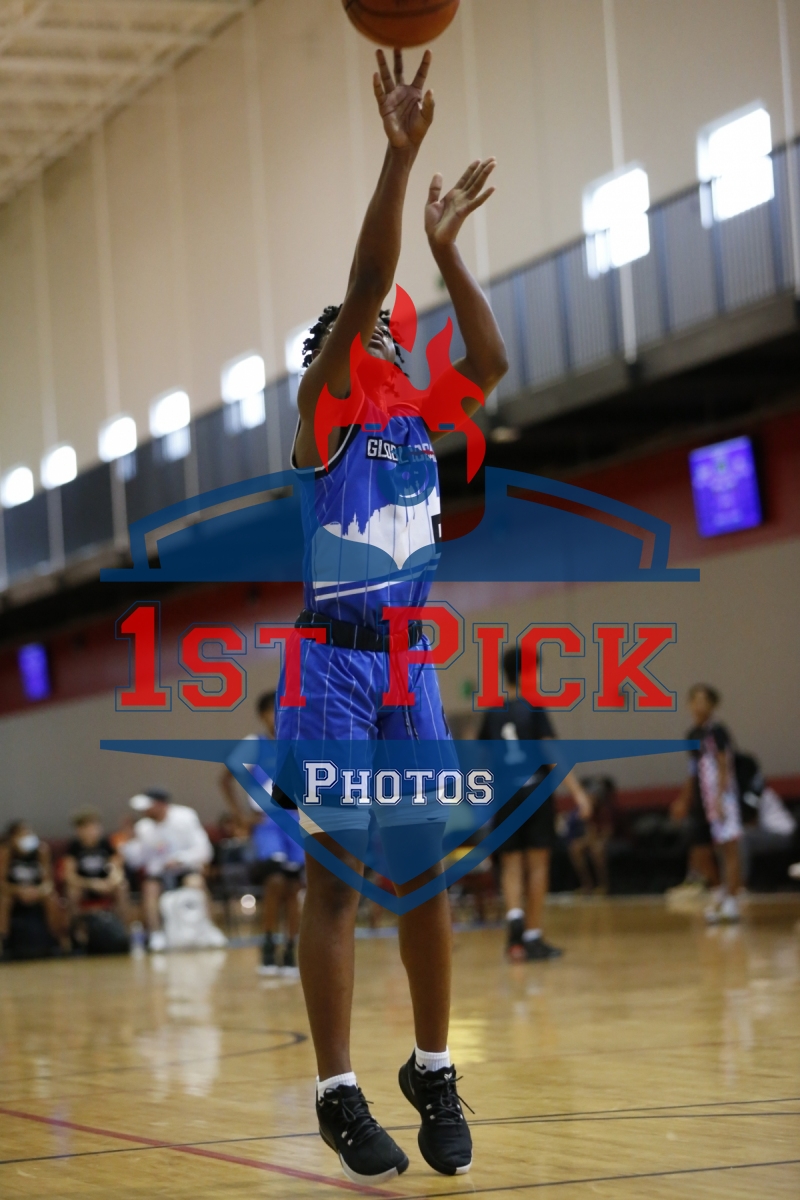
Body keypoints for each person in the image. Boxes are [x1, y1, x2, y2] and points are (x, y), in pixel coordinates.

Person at [276, 48, 508, 1184]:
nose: (378, 332)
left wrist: (449, 250)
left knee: (424, 874)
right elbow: (366, 282)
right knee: (335, 880)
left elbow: (492, 358)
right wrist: (398, 155)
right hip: (332, 664)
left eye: (381, 329)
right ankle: (335, 1090)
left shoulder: (414, 421)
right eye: (361, 328)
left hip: (407, 669)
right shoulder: (323, 412)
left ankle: (432, 1067)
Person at [478, 648, 593, 960]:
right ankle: (532, 935)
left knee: (511, 864)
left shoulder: (492, 712)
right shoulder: (534, 708)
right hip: (535, 792)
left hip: (505, 795)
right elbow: (551, 753)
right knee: (538, 865)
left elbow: (483, 759)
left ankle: (514, 919)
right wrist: (578, 792)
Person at [219, 691, 304, 976]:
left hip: (296, 821)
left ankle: (290, 949)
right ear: (262, 715)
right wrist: (240, 817)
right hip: (268, 824)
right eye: (272, 711)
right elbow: (225, 779)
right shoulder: (254, 744)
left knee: (294, 888)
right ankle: (268, 944)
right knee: (275, 881)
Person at [671, 684, 743, 923]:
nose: (699, 705)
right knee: (700, 850)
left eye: (704, 700)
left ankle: (732, 901)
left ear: (712, 705)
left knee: (728, 849)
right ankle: (718, 893)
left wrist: (721, 797)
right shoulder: (692, 734)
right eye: (695, 700)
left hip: (722, 798)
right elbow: (693, 771)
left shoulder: (718, 731)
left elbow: (724, 765)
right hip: (701, 799)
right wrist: (683, 799)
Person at [119, 787, 213, 951]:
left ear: (161, 805)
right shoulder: (143, 827)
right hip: (159, 874)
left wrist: (180, 859)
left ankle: (208, 928)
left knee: (196, 883)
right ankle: (156, 934)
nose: (144, 811)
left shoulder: (186, 817)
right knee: (150, 889)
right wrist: (129, 840)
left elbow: (204, 850)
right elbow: (136, 861)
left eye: (148, 807)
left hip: (184, 869)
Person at [0, 820, 64, 957]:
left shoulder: (42, 851)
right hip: (13, 892)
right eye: (21, 835)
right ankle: (3, 943)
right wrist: (19, 890)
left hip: (36, 891)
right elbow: (2, 883)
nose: (26, 837)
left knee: (51, 898)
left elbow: (48, 882)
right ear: (12, 838)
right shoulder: (6, 852)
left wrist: (38, 891)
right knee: (4, 900)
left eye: (28, 833)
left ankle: (57, 941)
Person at [63, 807, 129, 924]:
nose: (92, 830)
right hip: (84, 885)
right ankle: (76, 927)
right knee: (72, 892)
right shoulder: (74, 847)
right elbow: (70, 876)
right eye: (87, 827)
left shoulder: (106, 844)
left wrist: (110, 882)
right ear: (79, 830)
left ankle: (123, 926)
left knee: (122, 886)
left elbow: (116, 868)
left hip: (105, 884)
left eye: (95, 826)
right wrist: (92, 884)